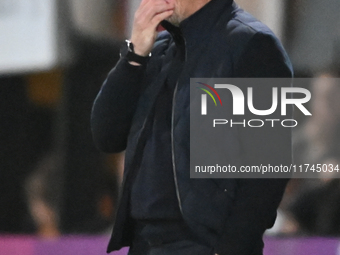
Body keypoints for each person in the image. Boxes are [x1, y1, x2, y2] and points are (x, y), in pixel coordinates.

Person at [91, 0, 293, 254]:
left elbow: (268, 168)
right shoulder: (155, 49)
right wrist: (133, 56)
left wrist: (232, 248)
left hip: (204, 244)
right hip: (145, 243)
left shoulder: (252, 43)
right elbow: (106, 136)